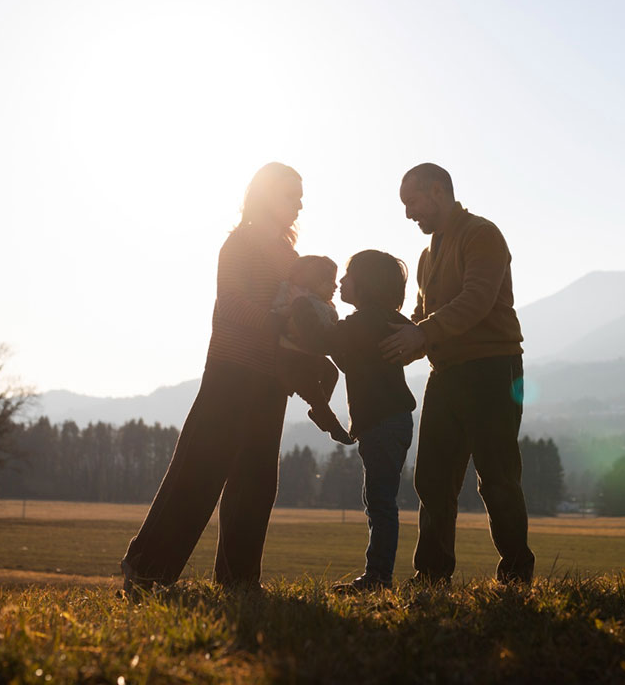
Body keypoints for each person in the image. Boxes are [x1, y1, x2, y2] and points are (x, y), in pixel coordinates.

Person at [120, 162, 303, 596]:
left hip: (272, 381)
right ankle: (146, 569)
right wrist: (278, 323)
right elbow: (232, 304)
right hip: (230, 372)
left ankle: (239, 580)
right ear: (263, 196)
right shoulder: (238, 244)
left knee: (257, 480)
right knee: (198, 471)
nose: (297, 204)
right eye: (289, 195)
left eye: (300, 197)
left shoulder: (292, 257)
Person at [379, 163, 535, 584]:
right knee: (432, 477)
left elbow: (476, 300)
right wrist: (389, 338)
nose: (410, 214)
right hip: (445, 373)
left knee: (497, 476)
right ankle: (431, 576)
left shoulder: (482, 234)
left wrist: (421, 334)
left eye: (412, 202)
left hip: (491, 369)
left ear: (437, 191)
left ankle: (517, 575)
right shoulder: (427, 256)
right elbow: (421, 317)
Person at [291, 250, 417, 591]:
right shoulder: (379, 319)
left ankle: (378, 578)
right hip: (392, 421)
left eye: (347, 276)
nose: (340, 282)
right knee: (379, 499)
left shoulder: (364, 322)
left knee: (380, 502)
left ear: (365, 284)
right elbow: (352, 354)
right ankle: (378, 576)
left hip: (382, 422)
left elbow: (321, 341)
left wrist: (299, 301)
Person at [272, 255, 354, 445]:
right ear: (314, 281)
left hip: (310, 356)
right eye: (329, 282)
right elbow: (280, 311)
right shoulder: (297, 296)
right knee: (314, 392)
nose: (335, 286)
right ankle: (330, 423)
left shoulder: (324, 305)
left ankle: (318, 412)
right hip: (291, 358)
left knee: (331, 373)